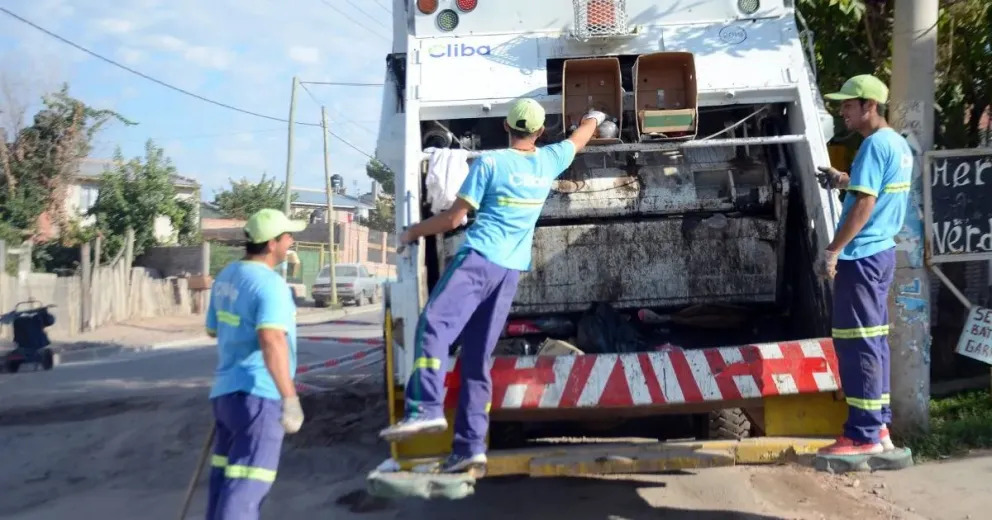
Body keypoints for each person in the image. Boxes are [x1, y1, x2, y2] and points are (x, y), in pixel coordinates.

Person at [378, 98, 606, 473]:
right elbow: (580, 138)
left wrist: (411, 232)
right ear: (540, 131)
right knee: (476, 357)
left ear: (505, 126)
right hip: (509, 272)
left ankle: (426, 409)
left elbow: (454, 220)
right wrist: (593, 116)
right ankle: (469, 447)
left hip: (479, 259)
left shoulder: (490, 163)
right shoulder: (549, 161)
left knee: (434, 324)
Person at [815, 74, 913, 456]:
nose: (843, 112)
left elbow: (865, 204)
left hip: (861, 257)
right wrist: (842, 180)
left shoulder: (873, 146)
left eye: (848, 105)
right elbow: (872, 189)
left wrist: (834, 250)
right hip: (880, 254)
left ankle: (863, 435)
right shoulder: (896, 145)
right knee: (873, 342)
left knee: (858, 345)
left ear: (869, 106)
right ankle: (879, 428)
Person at [205, 208, 308, 519]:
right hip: (259, 397)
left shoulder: (227, 276)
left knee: (225, 482)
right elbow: (271, 340)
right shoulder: (270, 285)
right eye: (288, 236)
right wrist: (289, 398)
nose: (291, 241)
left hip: (226, 396)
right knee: (248, 488)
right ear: (272, 243)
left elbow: (213, 328)